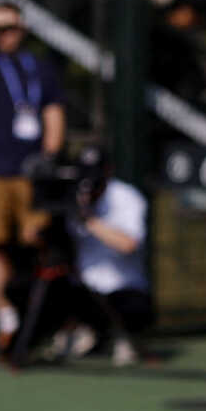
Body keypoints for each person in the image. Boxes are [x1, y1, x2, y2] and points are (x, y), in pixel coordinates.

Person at [0, 5, 67, 352]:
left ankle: (44, 319)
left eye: (12, 27)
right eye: (0, 28)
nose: (6, 34)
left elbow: (53, 113)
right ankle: (7, 320)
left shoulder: (41, 68)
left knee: (39, 241)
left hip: (31, 173)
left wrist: (50, 157)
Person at [52, 142, 151, 368]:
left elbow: (128, 244)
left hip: (122, 289)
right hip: (83, 288)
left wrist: (89, 221)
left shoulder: (126, 197)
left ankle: (122, 336)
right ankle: (83, 331)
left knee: (131, 306)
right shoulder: (71, 195)